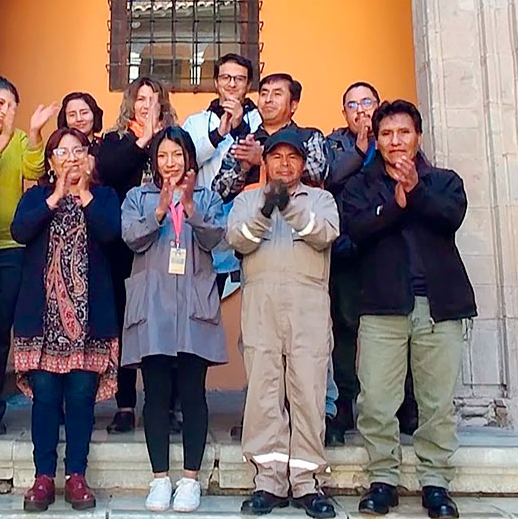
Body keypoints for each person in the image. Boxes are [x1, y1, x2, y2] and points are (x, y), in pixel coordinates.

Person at [341, 100, 475, 519]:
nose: (395, 141)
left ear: (417, 137)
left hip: (439, 307)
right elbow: (357, 230)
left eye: (403, 132)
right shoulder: (360, 186)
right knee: (378, 399)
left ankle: (435, 482)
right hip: (382, 306)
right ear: (376, 141)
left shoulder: (444, 181)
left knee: (437, 402)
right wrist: (395, 206)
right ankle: (383, 478)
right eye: (386, 134)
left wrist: (415, 190)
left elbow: (450, 217)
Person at [225, 129, 339, 519]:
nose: (284, 164)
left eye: (293, 158)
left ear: (303, 165)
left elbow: (324, 235)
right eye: (277, 157)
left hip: (308, 305)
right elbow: (238, 240)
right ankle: (268, 481)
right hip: (261, 304)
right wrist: (265, 210)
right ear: (265, 162)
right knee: (263, 392)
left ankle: (307, 482)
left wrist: (288, 206)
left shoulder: (321, 199)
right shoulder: (245, 201)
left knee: (308, 391)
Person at [10, 128, 123, 512]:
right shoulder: (35, 197)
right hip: (41, 323)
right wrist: (57, 196)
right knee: (44, 398)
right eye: (63, 151)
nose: (71, 158)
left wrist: (84, 192)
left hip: (89, 322)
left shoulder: (104, 198)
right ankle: (43, 477)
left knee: (79, 397)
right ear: (50, 160)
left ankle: (76, 475)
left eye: (79, 150)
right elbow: (20, 231)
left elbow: (112, 235)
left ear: (89, 158)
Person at [120, 127, 227, 513]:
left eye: (177, 155)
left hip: (193, 305)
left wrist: (191, 210)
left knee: (194, 394)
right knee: (157, 396)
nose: (170, 163)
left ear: (189, 160)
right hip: (153, 308)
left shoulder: (207, 196)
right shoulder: (138, 197)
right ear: (154, 161)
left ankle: (190, 480)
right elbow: (131, 238)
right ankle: (160, 479)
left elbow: (217, 238)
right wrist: (161, 211)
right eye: (163, 156)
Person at [323, 83, 419, 446]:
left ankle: (406, 402)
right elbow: (326, 179)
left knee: (399, 322)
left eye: (366, 102)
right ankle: (346, 401)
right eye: (351, 105)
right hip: (347, 247)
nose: (359, 109)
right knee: (345, 326)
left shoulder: (397, 143)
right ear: (343, 113)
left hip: (389, 249)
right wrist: (360, 148)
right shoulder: (333, 145)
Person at [0, 76, 58, 436]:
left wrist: (32, 133)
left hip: (8, 249)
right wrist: (3, 137)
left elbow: (34, 171)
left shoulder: (19, 140)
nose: (5, 111)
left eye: (11, 106)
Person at [95, 76, 179, 433]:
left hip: (167, 242)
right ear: (131, 103)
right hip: (124, 246)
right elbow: (111, 170)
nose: (147, 104)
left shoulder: (174, 139)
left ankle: (166, 405)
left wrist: (159, 138)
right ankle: (126, 404)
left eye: (153, 98)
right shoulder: (116, 140)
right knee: (127, 323)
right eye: (141, 98)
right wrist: (144, 138)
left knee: (168, 323)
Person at [180, 53, 262, 294]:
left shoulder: (260, 120)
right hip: (203, 218)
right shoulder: (196, 122)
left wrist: (239, 128)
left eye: (239, 78)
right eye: (226, 77)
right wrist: (217, 134)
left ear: (248, 85)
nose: (232, 84)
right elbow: (185, 160)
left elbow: (261, 158)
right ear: (216, 83)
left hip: (247, 219)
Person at [212, 73, 327, 203]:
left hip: (299, 217)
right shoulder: (246, 143)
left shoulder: (309, 137)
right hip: (254, 219)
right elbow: (218, 191)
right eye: (264, 94)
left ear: (293, 105)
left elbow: (318, 172)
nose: (268, 100)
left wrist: (263, 158)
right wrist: (243, 168)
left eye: (277, 94)